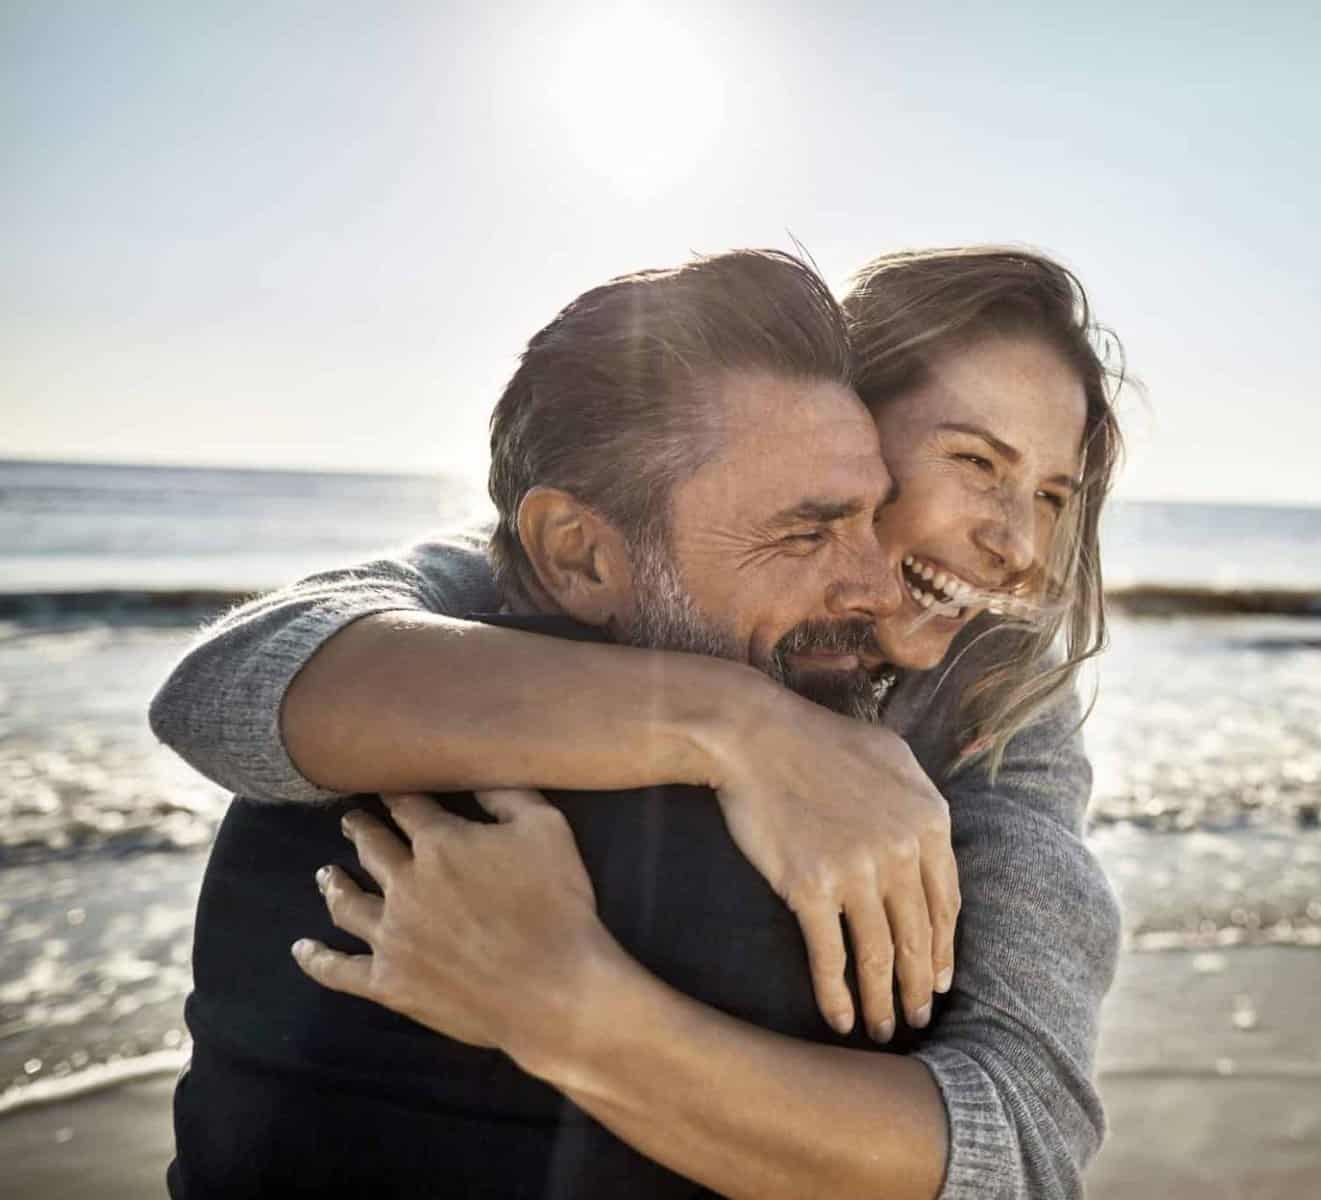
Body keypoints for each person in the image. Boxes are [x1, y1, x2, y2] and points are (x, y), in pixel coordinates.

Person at [152, 246, 1128, 1199]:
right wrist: (739, 725)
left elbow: (1024, 1147)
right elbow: (224, 690)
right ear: (852, 423)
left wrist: (565, 1005)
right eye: (974, 461)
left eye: (1052, 496)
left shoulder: (1000, 703)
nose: (1020, 545)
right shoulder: (538, 569)